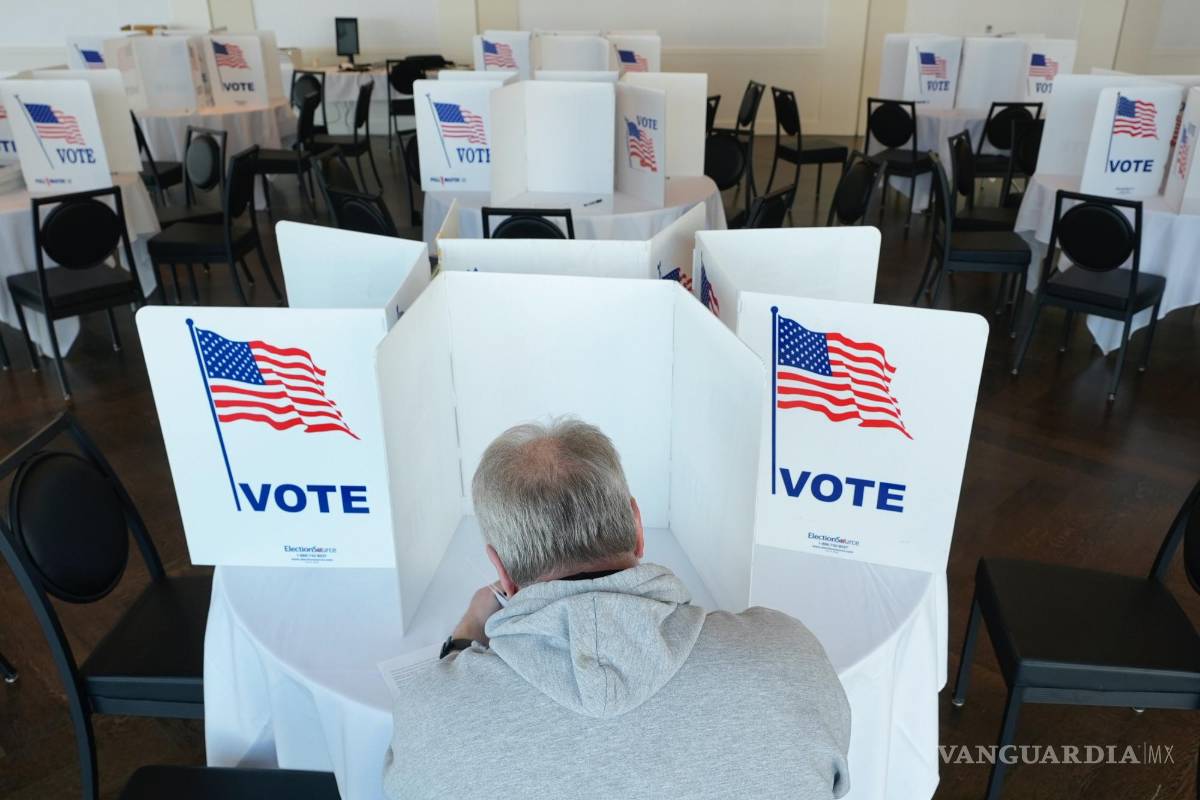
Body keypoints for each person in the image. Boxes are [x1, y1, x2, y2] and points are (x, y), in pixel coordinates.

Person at [383, 418, 851, 799]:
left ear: (502, 573)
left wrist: (464, 640)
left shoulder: (430, 718)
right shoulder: (787, 657)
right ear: (637, 526)